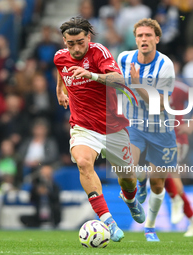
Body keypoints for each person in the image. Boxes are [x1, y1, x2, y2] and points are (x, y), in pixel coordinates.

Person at [53, 17, 144, 242]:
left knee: (128, 179)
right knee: (83, 163)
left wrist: (91, 75)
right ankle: (108, 221)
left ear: (89, 38)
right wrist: (59, 90)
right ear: (64, 41)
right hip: (83, 126)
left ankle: (130, 199)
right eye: (70, 43)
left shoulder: (99, 53)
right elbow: (61, 70)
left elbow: (119, 80)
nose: (75, 48)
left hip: (112, 127)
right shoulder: (59, 57)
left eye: (80, 42)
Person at [117, 18, 177, 241]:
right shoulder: (123, 58)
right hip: (133, 125)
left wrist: (138, 83)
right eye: (140, 36)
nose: (144, 39)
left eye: (148, 36)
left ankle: (150, 227)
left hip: (160, 127)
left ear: (157, 39)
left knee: (158, 182)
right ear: (135, 39)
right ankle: (138, 181)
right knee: (129, 170)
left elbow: (160, 104)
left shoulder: (165, 65)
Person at [166, 77, 193, 237]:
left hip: (177, 139)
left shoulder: (178, 87)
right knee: (166, 178)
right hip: (159, 140)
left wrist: (192, 124)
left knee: (167, 173)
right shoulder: (148, 88)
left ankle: (176, 201)